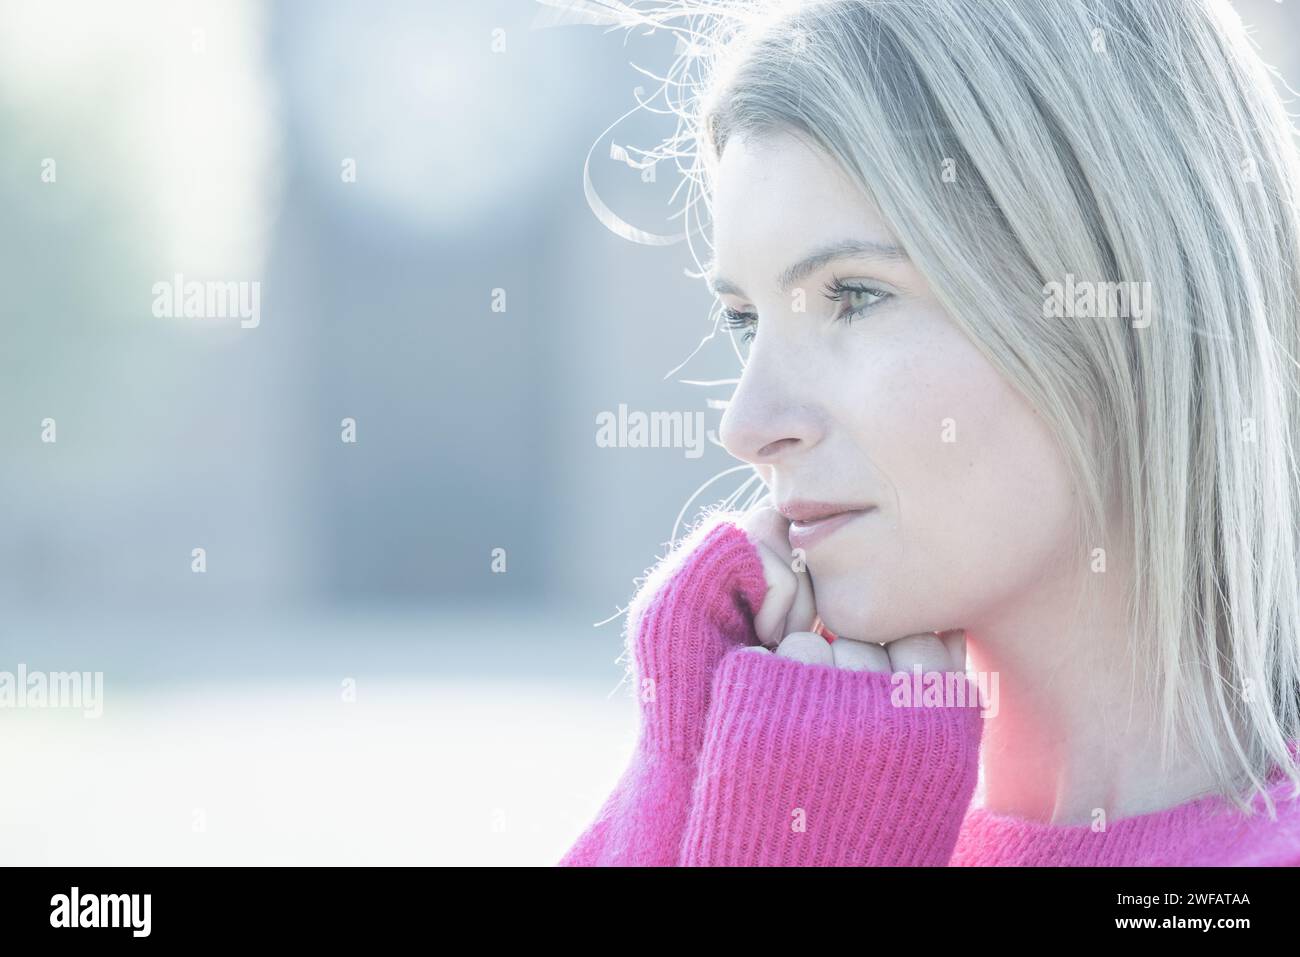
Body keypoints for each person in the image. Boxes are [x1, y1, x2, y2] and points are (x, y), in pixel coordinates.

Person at [558, 0, 1300, 866]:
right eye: (743, 318)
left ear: (1116, 302)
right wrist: (676, 767)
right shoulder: (812, 805)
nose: (746, 426)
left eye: (855, 294)